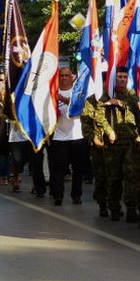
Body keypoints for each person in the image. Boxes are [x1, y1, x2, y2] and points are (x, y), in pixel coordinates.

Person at [95, 67, 140, 222]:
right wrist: (109, 130)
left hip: (129, 143)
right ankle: (114, 208)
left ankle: (131, 208)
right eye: (119, 77)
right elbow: (99, 115)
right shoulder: (106, 95)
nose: (122, 79)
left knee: (130, 177)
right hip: (112, 144)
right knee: (113, 177)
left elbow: (138, 113)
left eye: (124, 77)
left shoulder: (132, 95)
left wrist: (121, 104)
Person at [49, 67, 87, 206]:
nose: (64, 78)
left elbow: (78, 109)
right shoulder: (53, 92)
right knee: (59, 169)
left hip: (77, 136)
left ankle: (76, 195)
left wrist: (63, 99)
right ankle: (58, 195)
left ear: (72, 77)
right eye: (62, 76)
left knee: (78, 169)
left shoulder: (77, 92)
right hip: (59, 136)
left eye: (67, 75)